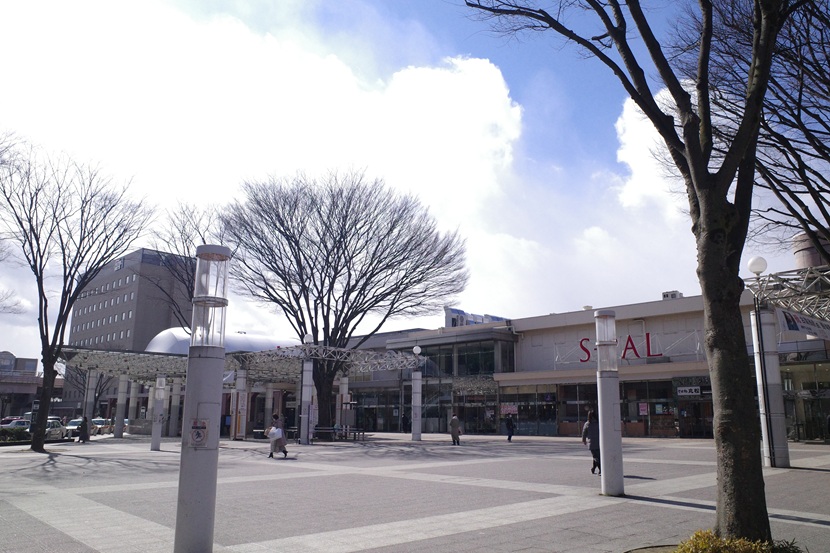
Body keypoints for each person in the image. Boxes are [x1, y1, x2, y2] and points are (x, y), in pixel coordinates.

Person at [581, 410, 600, 475]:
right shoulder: (599, 423)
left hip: (591, 443)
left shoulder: (587, 424)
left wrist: (584, 440)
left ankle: (600, 469)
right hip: (599, 442)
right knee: (597, 456)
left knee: (596, 457)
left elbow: (584, 433)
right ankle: (593, 468)